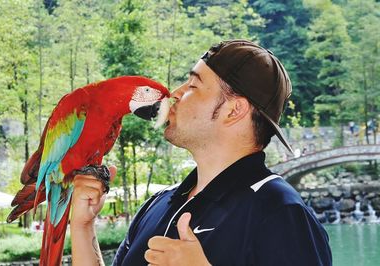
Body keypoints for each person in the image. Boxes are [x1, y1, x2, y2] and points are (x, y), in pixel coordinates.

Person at [70, 40, 332, 265]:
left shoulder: (280, 210)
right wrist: (83, 228)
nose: (175, 93)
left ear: (233, 110)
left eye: (193, 86)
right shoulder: (159, 203)